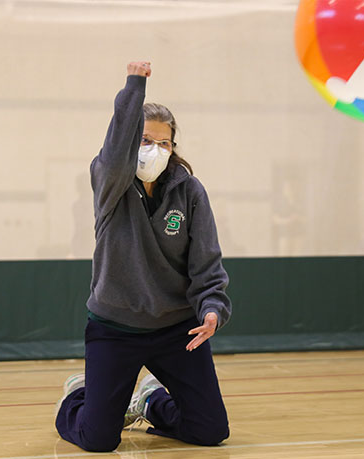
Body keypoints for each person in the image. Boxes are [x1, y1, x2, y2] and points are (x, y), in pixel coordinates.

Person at [54, 61, 232, 452]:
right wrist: (134, 89)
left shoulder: (190, 192)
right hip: (115, 329)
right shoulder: (111, 186)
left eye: (164, 143)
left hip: (176, 329)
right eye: (146, 140)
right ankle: (75, 398)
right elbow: (115, 152)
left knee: (210, 431)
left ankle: (150, 402)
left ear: (174, 148)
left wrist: (212, 309)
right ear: (132, 143)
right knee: (99, 440)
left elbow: (206, 264)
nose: (155, 149)